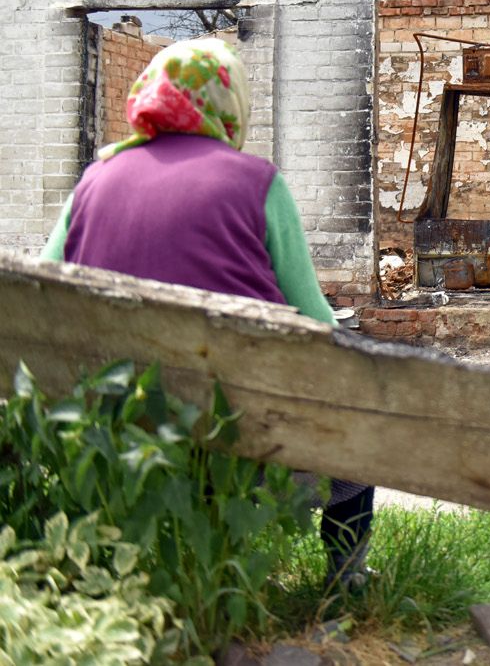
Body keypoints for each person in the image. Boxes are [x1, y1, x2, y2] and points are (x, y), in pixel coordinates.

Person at [39, 37, 375, 592]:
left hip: (116, 433)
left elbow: (40, 295)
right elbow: (318, 326)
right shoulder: (257, 183)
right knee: (362, 426)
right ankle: (346, 578)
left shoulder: (93, 180)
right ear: (231, 103)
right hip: (239, 441)